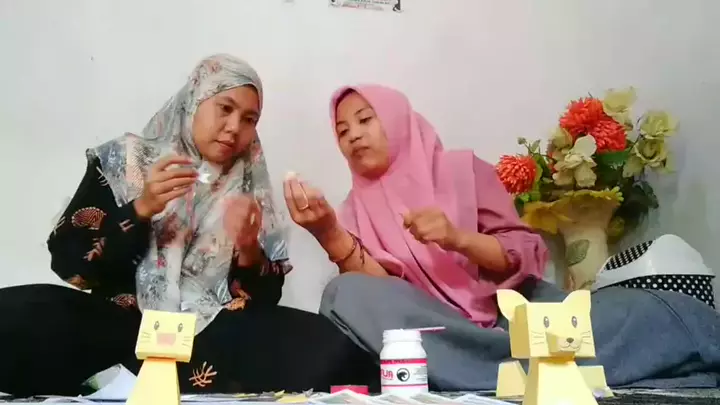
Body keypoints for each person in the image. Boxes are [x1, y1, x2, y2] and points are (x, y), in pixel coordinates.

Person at [284, 84, 720, 391]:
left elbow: (522, 252)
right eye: (342, 130)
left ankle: (494, 368)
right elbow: (383, 297)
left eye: (365, 120)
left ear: (397, 121)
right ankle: (517, 370)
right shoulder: (354, 208)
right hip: (441, 334)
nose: (354, 134)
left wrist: (457, 238)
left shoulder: (461, 170)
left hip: (514, 314)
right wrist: (328, 233)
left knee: (651, 311)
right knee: (345, 292)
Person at [0, 55, 378, 397]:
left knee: (329, 347)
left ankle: (140, 379)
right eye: (225, 108)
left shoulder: (250, 186)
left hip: (210, 332)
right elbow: (71, 265)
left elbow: (263, 300)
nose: (234, 127)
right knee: (19, 316)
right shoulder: (126, 161)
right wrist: (141, 208)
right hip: (124, 327)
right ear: (194, 101)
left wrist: (248, 249)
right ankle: (122, 375)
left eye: (249, 119)